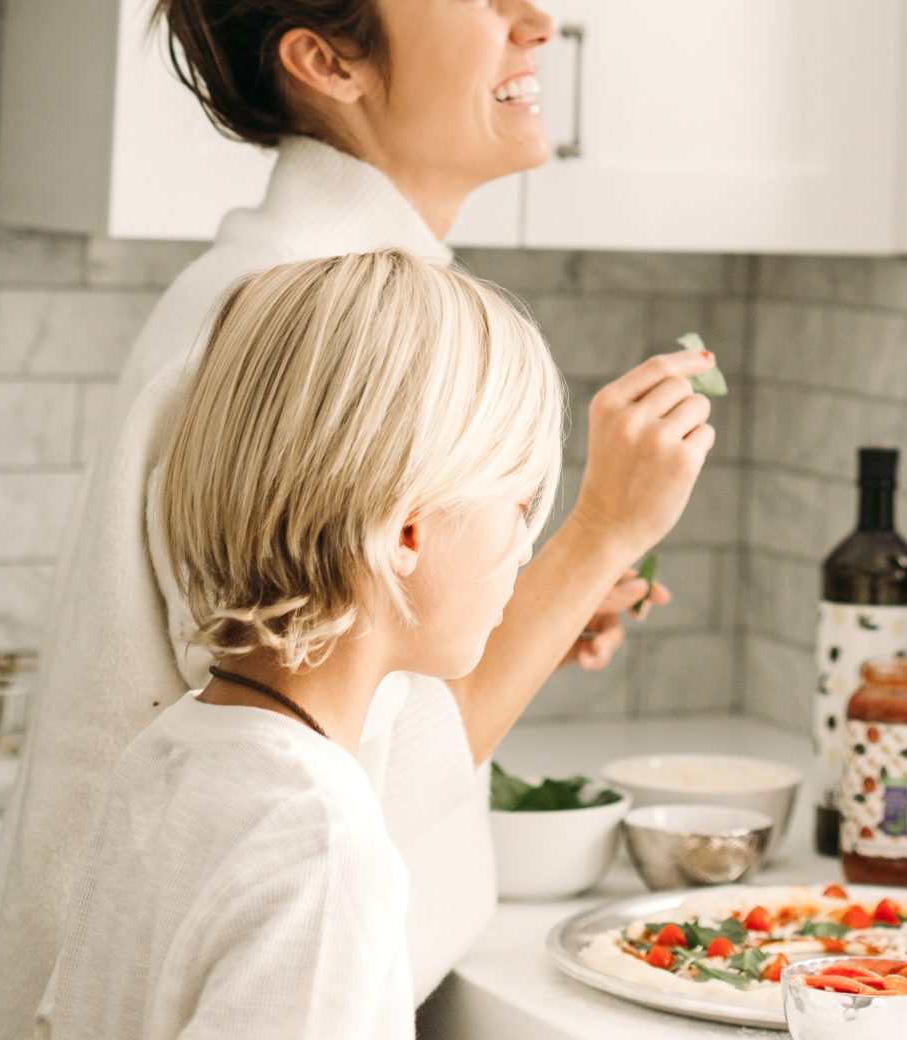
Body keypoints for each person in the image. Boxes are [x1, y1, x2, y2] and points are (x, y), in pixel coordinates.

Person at [0, 0, 715, 1040]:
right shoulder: (310, 323)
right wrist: (599, 530)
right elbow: (340, 762)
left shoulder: (297, 289)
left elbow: (340, 681)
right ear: (329, 60)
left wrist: (530, 593)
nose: (536, 26)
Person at [50, 248, 561, 1039]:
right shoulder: (319, 849)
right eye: (519, 506)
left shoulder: (170, 755)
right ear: (408, 532)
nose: (525, 548)